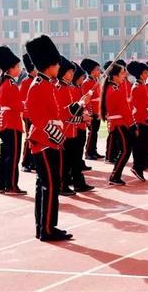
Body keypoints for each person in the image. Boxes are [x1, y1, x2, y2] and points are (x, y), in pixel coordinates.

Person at [25, 35, 72, 241]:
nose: (59, 66)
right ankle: (47, 228)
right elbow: (38, 118)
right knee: (50, 185)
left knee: (46, 185)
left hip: (48, 141)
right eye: (56, 63)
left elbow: (58, 113)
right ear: (48, 65)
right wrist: (58, 137)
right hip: (43, 142)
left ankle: (44, 226)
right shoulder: (38, 86)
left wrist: (77, 106)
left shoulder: (48, 84)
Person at [0, 46, 26, 195]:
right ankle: (11, 185)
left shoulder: (5, 82)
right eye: (17, 67)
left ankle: (1, 184)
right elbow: (17, 104)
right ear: (10, 69)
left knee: (5, 155)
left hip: (6, 120)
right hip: (12, 122)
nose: (19, 69)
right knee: (13, 156)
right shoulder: (10, 84)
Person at [55, 57, 92, 195]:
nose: (71, 75)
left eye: (72, 72)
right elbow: (63, 114)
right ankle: (63, 185)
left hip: (72, 130)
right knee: (65, 162)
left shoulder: (70, 87)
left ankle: (78, 183)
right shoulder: (59, 88)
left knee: (74, 159)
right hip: (64, 130)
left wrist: (83, 104)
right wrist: (81, 118)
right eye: (69, 72)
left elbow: (74, 109)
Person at [101, 61, 135, 185]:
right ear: (114, 76)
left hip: (118, 123)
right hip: (119, 123)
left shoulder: (113, 87)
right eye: (122, 73)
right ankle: (115, 176)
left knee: (125, 149)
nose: (124, 75)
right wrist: (132, 124)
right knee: (125, 150)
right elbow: (124, 109)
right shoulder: (115, 89)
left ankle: (115, 175)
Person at [127, 61, 148, 181]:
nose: (147, 75)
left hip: (144, 118)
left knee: (144, 145)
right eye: (146, 73)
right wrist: (146, 116)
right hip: (140, 119)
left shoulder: (142, 85)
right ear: (141, 74)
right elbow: (137, 106)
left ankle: (140, 166)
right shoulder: (137, 87)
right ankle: (137, 167)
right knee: (139, 145)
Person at [71, 63, 94, 177]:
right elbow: (76, 108)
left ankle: (79, 163)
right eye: (81, 77)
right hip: (77, 124)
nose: (83, 79)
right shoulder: (73, 89)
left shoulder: (77, 88)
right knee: (77, 149)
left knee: (80, 146)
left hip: (81, 122)